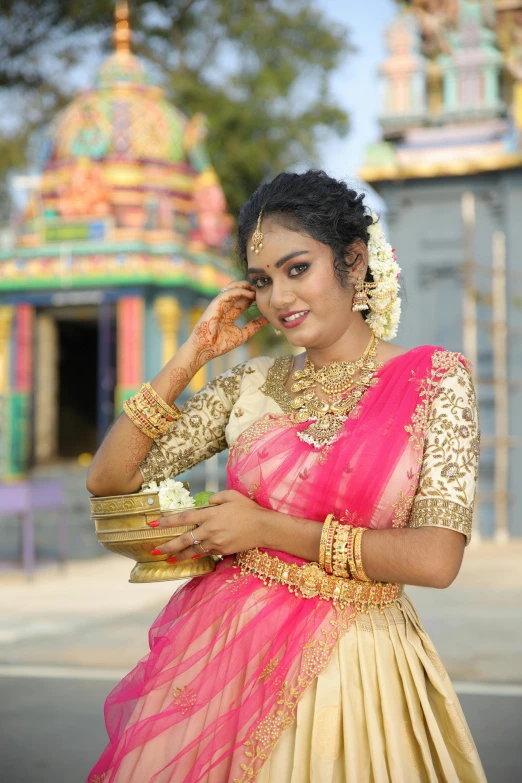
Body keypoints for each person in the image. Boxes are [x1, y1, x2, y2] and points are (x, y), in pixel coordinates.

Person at [86, 170, 487, 783]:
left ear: (352, 262)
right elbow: (111, 478)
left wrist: (264, 529)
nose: (279, 298)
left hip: (356, 667)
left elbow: (435, 560)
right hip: (227, 655)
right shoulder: (251, 386)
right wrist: (191, 355)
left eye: (297, 269)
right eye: (261, 281)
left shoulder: (434, 380)